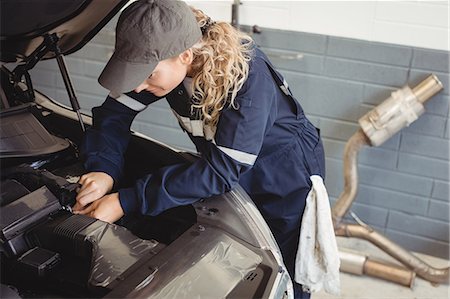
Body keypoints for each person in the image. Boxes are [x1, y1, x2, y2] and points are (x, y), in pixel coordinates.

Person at [73, 0, 325, 298]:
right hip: (229, 169)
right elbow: (113, 116)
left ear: (185, 56)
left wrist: (126, 201)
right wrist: (103, 169)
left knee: (281, 271)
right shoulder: (167, 64)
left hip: (283, 178)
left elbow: (220, 171)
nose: (138, 86)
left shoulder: (246, 77)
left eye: (148, 74)